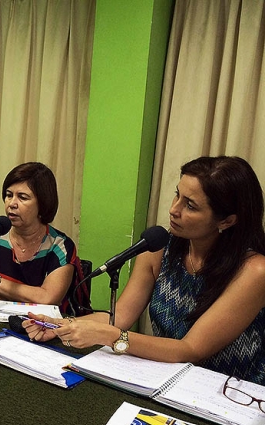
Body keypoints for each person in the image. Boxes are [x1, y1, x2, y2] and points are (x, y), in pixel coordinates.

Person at [24, 156, 265, 384]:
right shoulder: (160, 248)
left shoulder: (253, 271)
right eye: (177, 196)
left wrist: (109, 336)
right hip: (164, 379)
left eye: (190, 205)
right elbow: (119, 317)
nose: (174, 210)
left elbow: (190, 349)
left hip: (230, 395)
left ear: (227, 221)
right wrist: (60, 325)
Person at [0, 162, 89, 315]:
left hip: (44, 329)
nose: (11, 204)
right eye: (8, 195)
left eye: (22, 197)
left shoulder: (60, 246)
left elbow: (48, 299)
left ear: (43, 204)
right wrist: (29, 299)